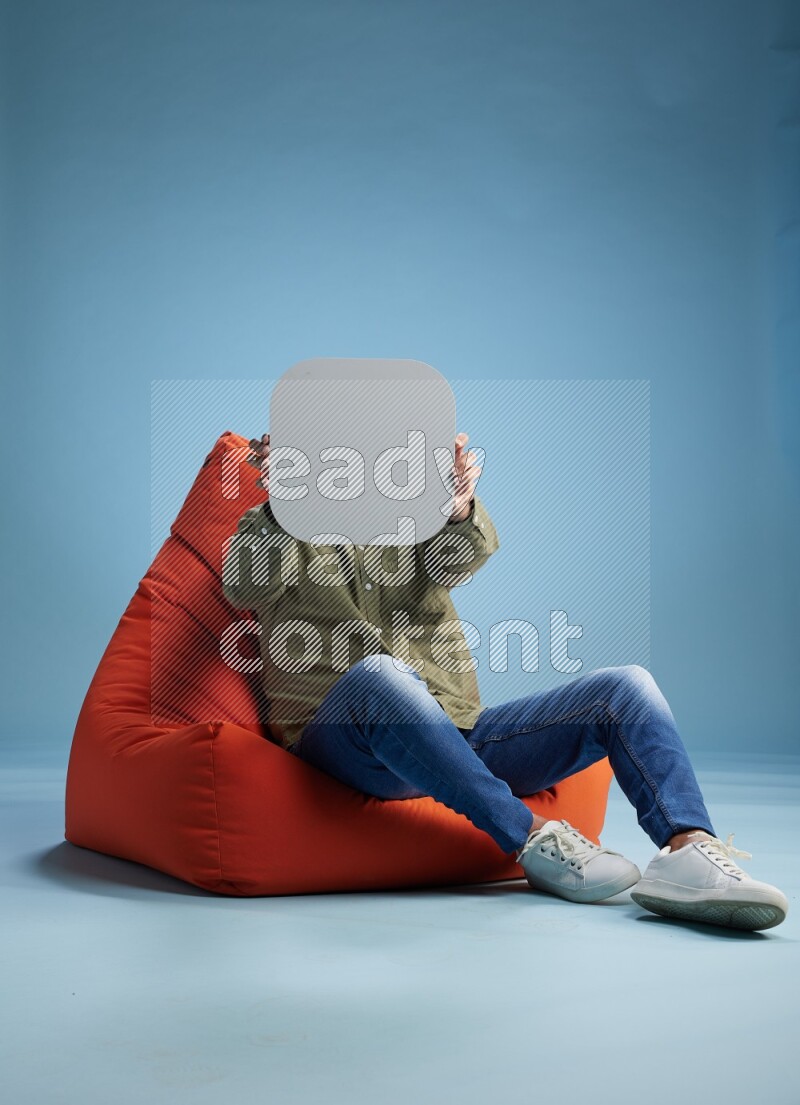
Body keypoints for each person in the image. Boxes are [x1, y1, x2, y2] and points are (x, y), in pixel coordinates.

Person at [222, 431, 788, 932]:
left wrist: (456, 508)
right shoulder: (271, 525)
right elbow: (243, 587)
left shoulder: (408, 521)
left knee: (626, 686)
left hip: (451, 734)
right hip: (344, 742)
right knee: (379, 675)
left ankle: (688, 852)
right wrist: (284, 507)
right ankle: (534, 839)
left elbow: (463, 560)